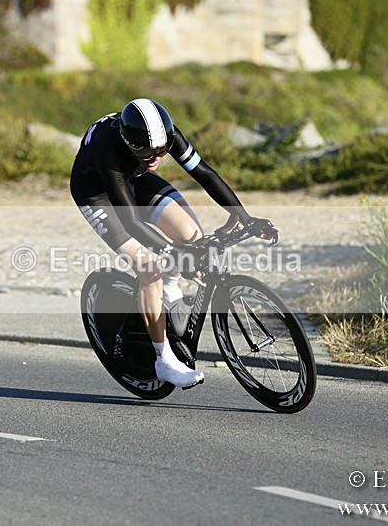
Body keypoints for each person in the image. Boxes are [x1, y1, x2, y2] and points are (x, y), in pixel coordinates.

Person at [70, 98, 276, 388]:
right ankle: (163, 358)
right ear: (131, 144)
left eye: (161, 151)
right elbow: (131, 222)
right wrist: (172, 254)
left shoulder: (164, 135)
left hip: (137, 180)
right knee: (150, 267)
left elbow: (204, 173)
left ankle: (169, 291)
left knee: (192, 236)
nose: (156, 157)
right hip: (98, 194)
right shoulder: (110, 150)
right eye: (147, 152)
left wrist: (245, 217)